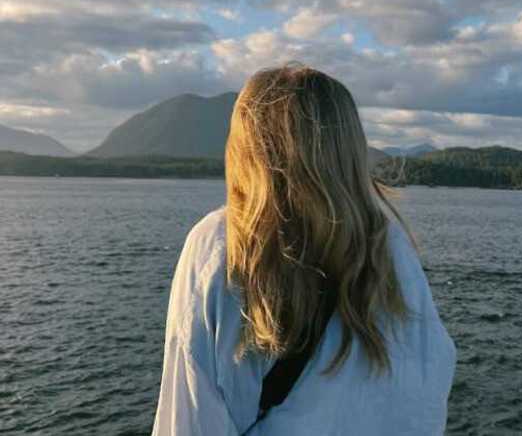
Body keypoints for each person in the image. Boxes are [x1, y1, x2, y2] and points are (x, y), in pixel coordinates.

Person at [152, 65, 456, 435]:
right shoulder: (390, 246)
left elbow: (189, 415)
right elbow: (427, 390)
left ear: (247, 147)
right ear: (349, 148)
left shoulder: (223, 243)